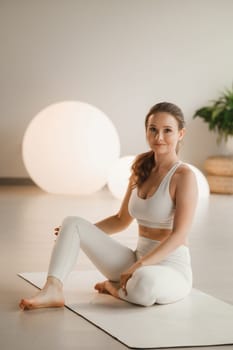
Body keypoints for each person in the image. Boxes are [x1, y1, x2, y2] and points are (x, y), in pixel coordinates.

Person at [19, 101, 198, 310]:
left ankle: (113, 288)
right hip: (135, 260)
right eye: (153, 129)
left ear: (181, 134)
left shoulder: (183, 176)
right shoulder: (141, 168)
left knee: (145, 284)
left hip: (171, 269)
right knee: (72, 223)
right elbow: (121, 220)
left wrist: (139, 266)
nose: (159, 137)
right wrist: (76, 233)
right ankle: (52, 290)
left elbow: (179, 236)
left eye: (167, 130)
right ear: (146, 131)